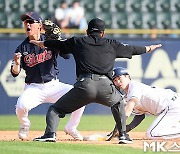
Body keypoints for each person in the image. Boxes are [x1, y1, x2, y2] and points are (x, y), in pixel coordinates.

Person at [30, 17, 162, 144]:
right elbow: (132, 49)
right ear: (103, 33)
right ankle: (123, 135)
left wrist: (42, 43)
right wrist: (148, 48)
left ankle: (50, 134)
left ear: (87, 32)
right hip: (106, 87)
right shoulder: (112, 44)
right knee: (119, 103)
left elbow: (58, 44)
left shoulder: (78, 41)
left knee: (55, 110)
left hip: (84, 86)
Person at [10, 12, 85, 141]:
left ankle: (71, 127)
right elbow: (14, 73)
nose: (27, 24)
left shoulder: (49, 40)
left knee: (82, 96)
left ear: (39, 25)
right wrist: (17, 63)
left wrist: (58, 41)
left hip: (53, 85)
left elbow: (66, 56)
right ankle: (25, 124)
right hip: (33, 88)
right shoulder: (21, 48)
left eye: (31, 21)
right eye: (25, 22)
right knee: (21, 106)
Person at [107, 67, 180, 140]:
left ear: (128, 77)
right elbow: (140, 116)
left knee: (152, 134)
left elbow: (128, 108)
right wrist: (128, 127)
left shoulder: (134, 86)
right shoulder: (128, 95)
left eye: (119, 78)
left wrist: (119, 128)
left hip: (172, 105)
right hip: (171, 106)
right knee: (160, 131)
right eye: (115, 80)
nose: (118, 82)